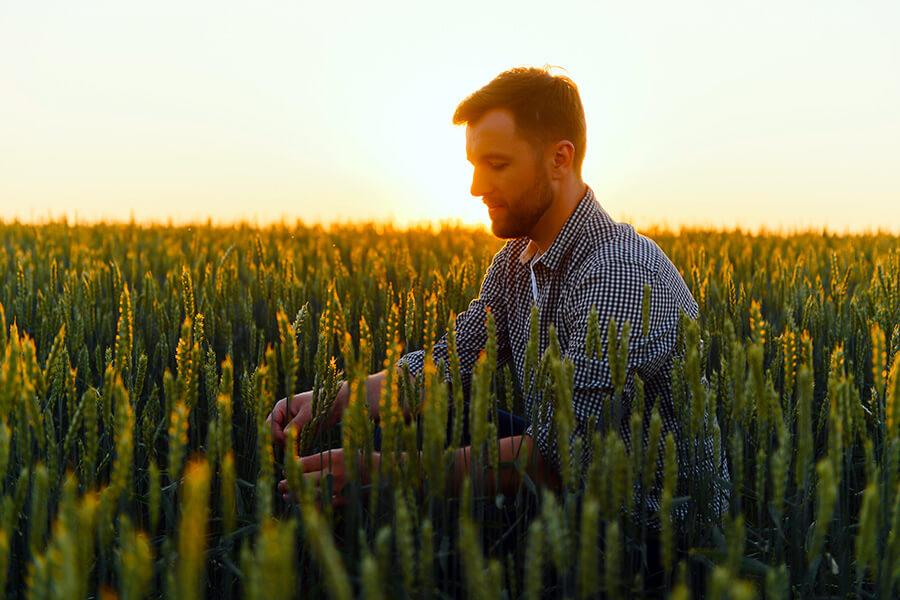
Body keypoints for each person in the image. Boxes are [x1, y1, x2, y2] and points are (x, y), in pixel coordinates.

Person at [268, 66, 702, 514]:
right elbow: (446, 367)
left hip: (648, 525)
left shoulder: (619, 272)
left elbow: (564, 456)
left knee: (396, 464)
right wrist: (333, 400)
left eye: (497, 165)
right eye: (475, 166)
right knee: (411, 427)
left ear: (560, 159)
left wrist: (382, 472)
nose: (476, 188)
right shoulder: (517, 259)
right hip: (574, 492)